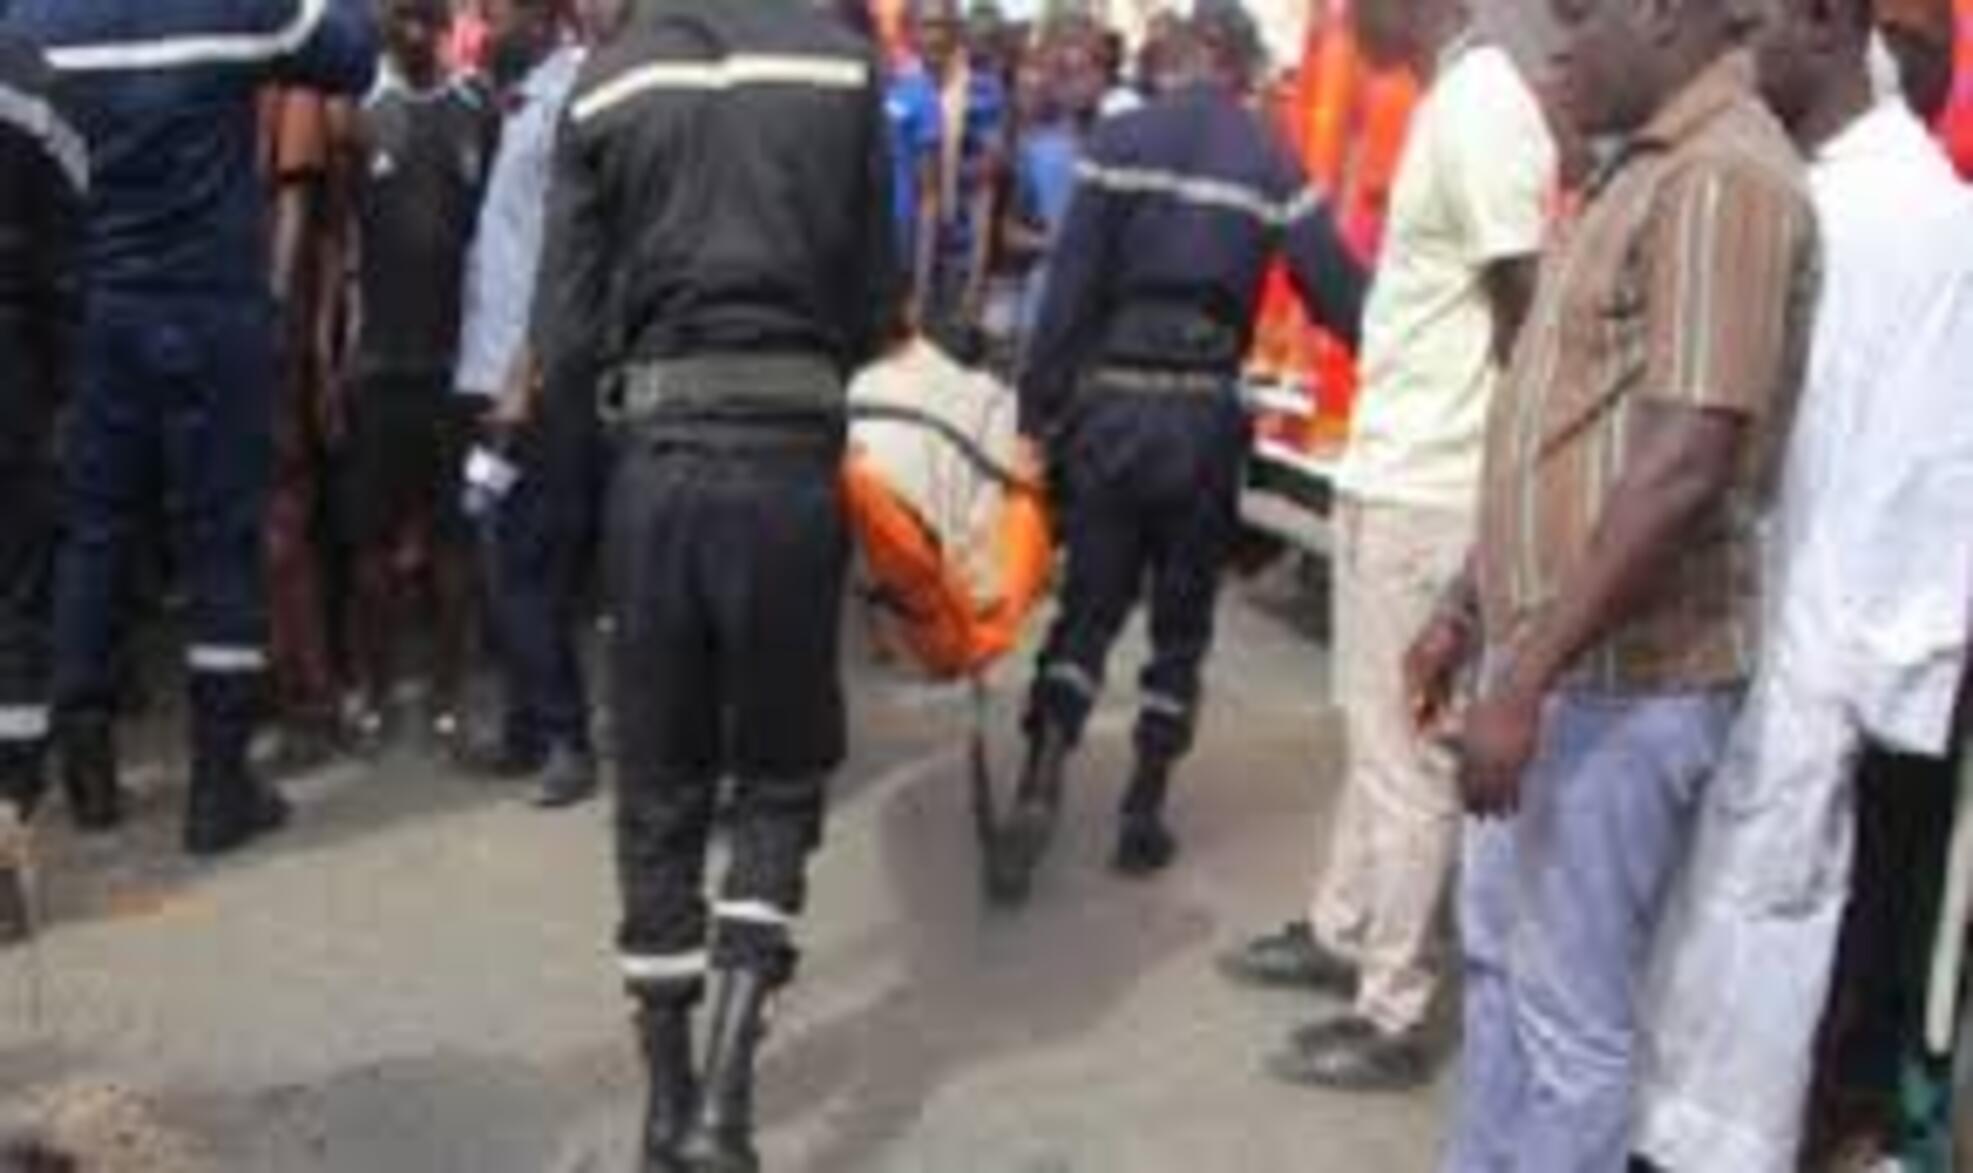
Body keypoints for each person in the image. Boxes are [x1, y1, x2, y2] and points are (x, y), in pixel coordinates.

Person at [1408, 1, 1818, 1167]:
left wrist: (1522, 679)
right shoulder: (1642, 173)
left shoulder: (1722, 179)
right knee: (1497, 972)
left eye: (1578, 15)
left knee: (1563, 1017)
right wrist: (1466, 609)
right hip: (1552, 668)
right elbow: (1565, 434)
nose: (1555, 45)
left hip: (1618, 682)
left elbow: (1684, 460)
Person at [530, 0, 893, 1167]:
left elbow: (567, 329)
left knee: (659, 788)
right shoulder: (844, 70)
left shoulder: (603, 82)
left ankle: (660, 1105)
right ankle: (725, 1105)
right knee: (782, 780)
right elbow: (875, 294)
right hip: (789, 467)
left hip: (656, 473)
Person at [1632, 2, 1973, 1168]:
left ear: (1825, 23)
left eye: (1751, 18)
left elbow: (1931, 477)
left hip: (1804, 667)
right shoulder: (1788, 179)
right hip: (1717, 642)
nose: (1729, 38)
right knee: (1678, 969)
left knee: (1747, 974)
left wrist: (1876, 692)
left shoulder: (1920, 216)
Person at [1222, 0, 1556, 1093]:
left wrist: (1496, 503)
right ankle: (1344, 929)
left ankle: (1393, 1008)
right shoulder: (1449, 101)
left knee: (1408, 757)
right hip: (1394, 468)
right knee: (1373, 733)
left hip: (1433, 488)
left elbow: (1530, 319)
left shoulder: (1483, 108)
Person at [996, 7, 1366, 905]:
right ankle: (1141, 815)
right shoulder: (1269, 157)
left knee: (1088, 606)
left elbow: (1070, 290)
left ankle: (1041, 780)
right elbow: (1342, 299)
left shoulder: (1120, 140)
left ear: (1188, 56)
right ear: (1240, 68)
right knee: (1179, 624)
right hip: (1202, 419)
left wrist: (1037, 413)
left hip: (1114, 406)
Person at [7, 0, 377, 856]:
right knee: (222, 540)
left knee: (94, 535)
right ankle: (218, 785)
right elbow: (353, 52)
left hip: (94, 303)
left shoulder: (33, 15)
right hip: (211, 306)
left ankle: (88, 762)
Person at [338, 0, 495, 755]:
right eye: (393, 16)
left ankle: (446, 695)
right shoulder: (358, 112)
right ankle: (371, 693)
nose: (404, 30)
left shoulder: (476, 107)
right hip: (377, 370)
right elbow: (337, 246)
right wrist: (327, 353)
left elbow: (499, 236)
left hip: (455, 372)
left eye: (417, 15)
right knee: (369, 552)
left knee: (453, 546)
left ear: (438, 22)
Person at [452, 0, 596, 804]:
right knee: (499, 551)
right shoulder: (505, 98)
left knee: (524, 562)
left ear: (544, 15)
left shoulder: (568, 96)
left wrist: (526, 371)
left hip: (535, 374)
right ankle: (526, 727)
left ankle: (566, 739)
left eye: (500, 7)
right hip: (490, 362)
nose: (485, 18)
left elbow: (567, 247)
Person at [0, 21, 83, 944]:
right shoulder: (23, 72)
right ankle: (7, 814)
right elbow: (75, 230)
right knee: (11, 602)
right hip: (9, 365)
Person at [261, 86, 353, 773]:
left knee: (281, 523)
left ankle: (310, 697)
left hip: (275, 329)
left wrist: (275, 324)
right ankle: (299, 685)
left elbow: (298, 215)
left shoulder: (290, 91)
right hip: (276, 326)